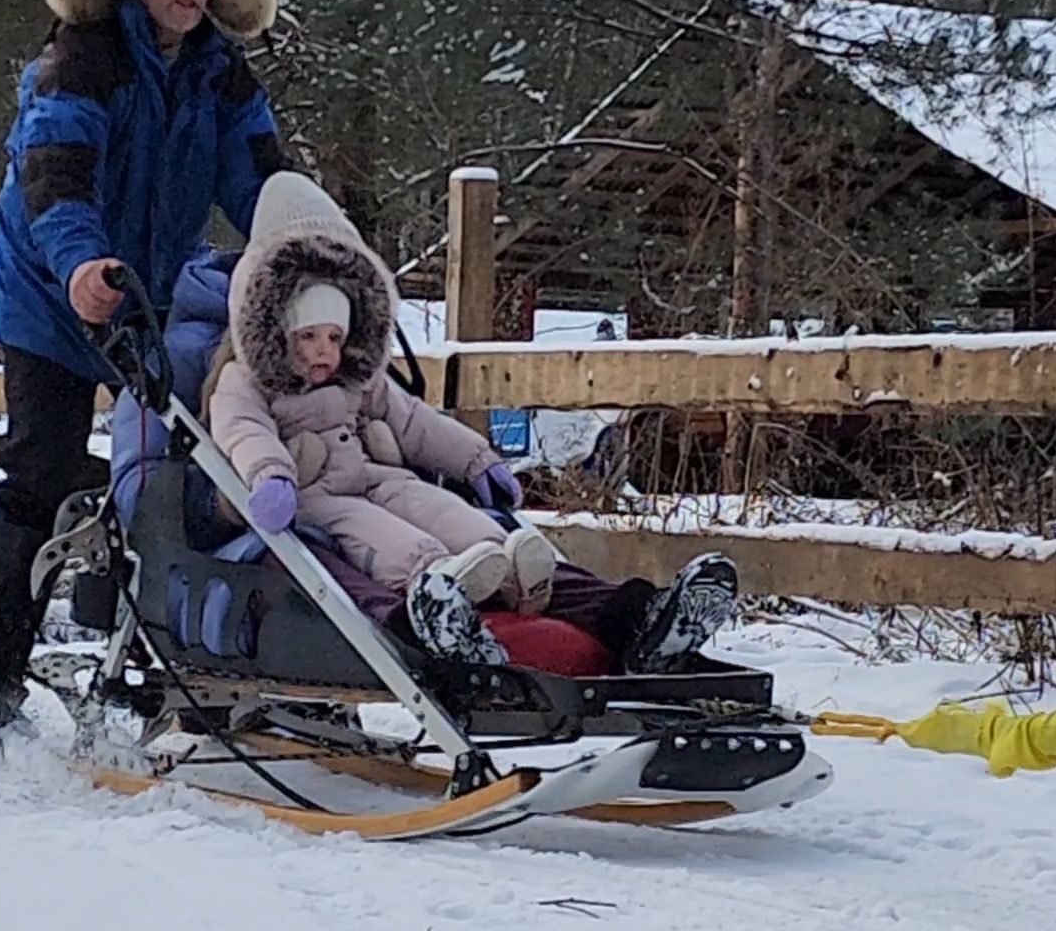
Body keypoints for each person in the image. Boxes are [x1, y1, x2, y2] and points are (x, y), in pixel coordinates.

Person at [108, 171, 742, 672]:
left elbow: (413, 423)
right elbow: (171, 481)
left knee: (489, 535)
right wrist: (249, 493)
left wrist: (477, 460)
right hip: (282, 525)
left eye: (339, 332)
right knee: (352, 557)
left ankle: (635, 618)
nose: (326, 349)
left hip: (377, 488)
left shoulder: (356, 373)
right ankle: (422, 625)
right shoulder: (197, 363)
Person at [0, 0, 292, 728]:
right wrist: (80, 265)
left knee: (180, 474)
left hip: (150, 294)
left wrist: (311, 258)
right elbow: (54, 178)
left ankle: (173, 657)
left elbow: (262, 180)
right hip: (51, 287)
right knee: (40, 468)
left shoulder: (220, 73)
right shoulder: (84, 57)